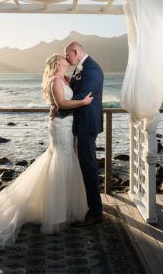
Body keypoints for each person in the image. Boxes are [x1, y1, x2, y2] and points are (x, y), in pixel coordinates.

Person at [0, 53, 93, 248]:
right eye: (63, 58)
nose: (66, 59)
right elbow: (60, 104)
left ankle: (61, 208)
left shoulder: (64, 78)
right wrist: (83, 103)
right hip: (60, 126)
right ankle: (57, 213)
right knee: (61, 161)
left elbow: (65, 99)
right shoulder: (54, 80)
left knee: (63, 161)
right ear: (57, 63)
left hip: (67, 125)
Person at [57, 41, 104, 226]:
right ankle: (90, 204)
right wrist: (67, 83)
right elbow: (76, 91)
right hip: (80, 122)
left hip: (87, 125)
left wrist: (59, 109)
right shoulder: (81, 68)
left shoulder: (92, 69)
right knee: (84, 165)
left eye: (68, 55)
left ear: (75, 52)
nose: (67, 59)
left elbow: (82, 97)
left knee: (89, 166)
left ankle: (96, 212)